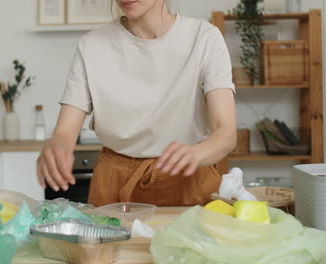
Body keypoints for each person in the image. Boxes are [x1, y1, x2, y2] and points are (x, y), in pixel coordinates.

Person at [37, 0, 237, 207]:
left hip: (188, 180)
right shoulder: (91, 45)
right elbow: (64, 133)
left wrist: (195, 154)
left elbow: (226, 132)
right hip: (114, 185)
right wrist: (57, 146)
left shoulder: (204, 37)